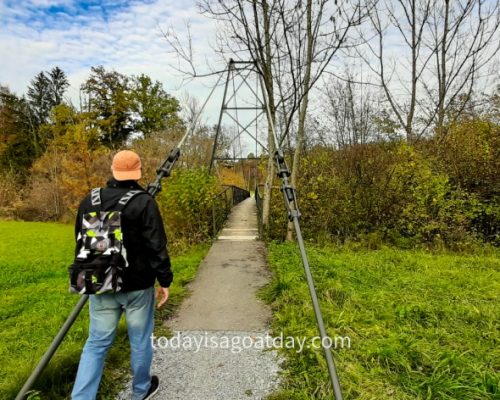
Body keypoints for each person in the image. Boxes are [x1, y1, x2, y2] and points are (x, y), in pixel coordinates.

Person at [71, 150, 172, 400]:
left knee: (96, 343)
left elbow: (79, 239)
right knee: (139, 340)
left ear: (113, 170)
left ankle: (82, 397)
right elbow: (156, 245)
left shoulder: (89, 200)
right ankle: (140, 391)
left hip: (100, 282)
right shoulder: (143, 201)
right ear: (137, 172)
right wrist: (165, 280)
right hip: (137, 286)